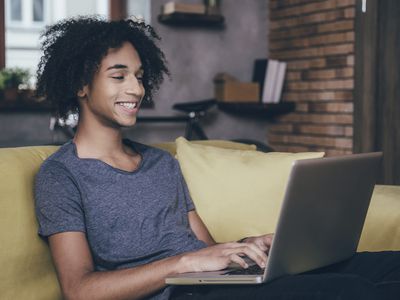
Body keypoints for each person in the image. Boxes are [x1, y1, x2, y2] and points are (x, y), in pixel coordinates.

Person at [34, 16, 400, 300]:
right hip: (179, 294)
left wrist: (247, 247)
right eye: (119, 76)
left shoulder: (162, 164)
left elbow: (206, 251)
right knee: (347, 291)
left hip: (213, 285)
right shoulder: (61, 175)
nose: (136, 88)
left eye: (140, 76)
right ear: (81, 85)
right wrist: (185, 264)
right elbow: (80, 290)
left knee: (390, 266)